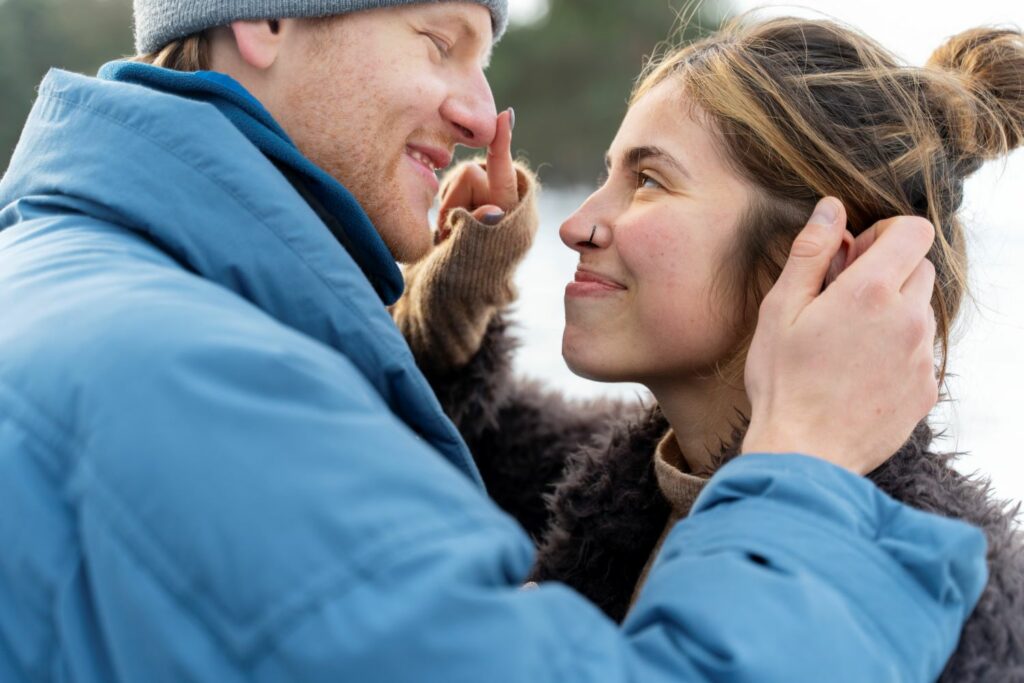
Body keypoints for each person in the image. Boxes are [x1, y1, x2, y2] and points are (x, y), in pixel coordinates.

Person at [0, 1, 987, 681]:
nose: (480, 113)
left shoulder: (92, 292)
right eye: (441, 41)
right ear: (262, 18)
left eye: (648, 178)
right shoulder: (195, 379)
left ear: (814, 254)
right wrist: (805, 465)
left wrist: (439, 319)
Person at [394, 15, 1024, 681]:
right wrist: (455, 308)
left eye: (649, 180)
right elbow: (442, 461)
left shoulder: (955, 607)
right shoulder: (620, 485)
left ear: (819, 260)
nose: (575, 225)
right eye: (610, 174)